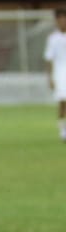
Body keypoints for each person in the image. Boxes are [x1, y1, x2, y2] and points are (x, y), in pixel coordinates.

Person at [44, 8, 66, 142]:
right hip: (60, 74)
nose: (62, 21)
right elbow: (49, 58)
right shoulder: (53, 38)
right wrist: (50, 77)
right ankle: (63, 130)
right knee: (62, 102)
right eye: (60, 19)